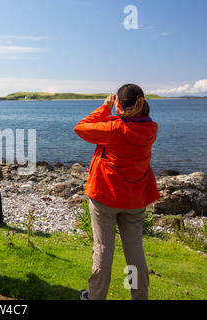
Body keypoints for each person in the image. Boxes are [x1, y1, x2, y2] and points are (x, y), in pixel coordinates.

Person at [74, 84, 160, 300]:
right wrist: (118, 112)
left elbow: (81, 127)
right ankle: (139, 296)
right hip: (135, 199)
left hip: (105, 197)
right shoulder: (151, 129)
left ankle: (96, 296)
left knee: (103, 248)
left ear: (119, 105)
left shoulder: (114, 130)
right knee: (134, 251)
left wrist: (105, 108)